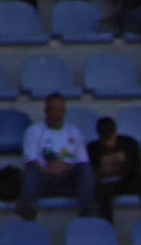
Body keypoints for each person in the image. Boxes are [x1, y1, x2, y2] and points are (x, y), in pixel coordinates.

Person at [19, 92, 95, 221]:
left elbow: (82, 160)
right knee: (30, 169)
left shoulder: (75, 132)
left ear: (64, 111)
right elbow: (31, 160)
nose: (56, 114)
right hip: (44, 178)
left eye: (60, 110)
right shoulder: (33, 131)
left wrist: (63, 167)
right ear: (46, 111)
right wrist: (50, 169)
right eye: (52, 110)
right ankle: (29, 209)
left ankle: (87, 210)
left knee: (86, 168)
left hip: (68, 179)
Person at [88, 116, 141, 223]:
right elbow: (92, 173)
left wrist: (122, 164)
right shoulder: (92, 148)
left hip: (125, 180)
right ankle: (107, 224)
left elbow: (137, 168)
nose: (108, 143)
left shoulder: (129, 143)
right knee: (101, 192)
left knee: (140, 180)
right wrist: (103, 169)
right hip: (106, 184)